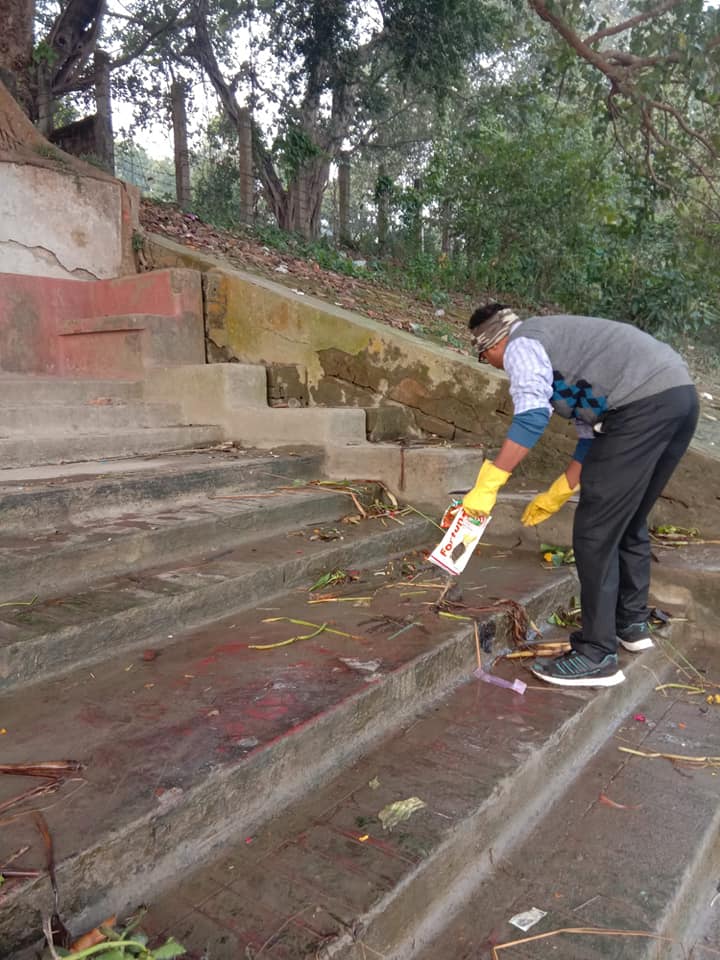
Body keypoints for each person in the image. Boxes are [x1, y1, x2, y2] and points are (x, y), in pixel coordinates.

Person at [462, 302, 698, 688]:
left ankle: (596, 655)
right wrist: (561, 489)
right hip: (678, 398)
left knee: (594, 533)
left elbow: (531, 417)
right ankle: (630, 623)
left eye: (483, 354)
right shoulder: (562, 349)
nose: (488, 362)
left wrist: (489, 483)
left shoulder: (522, 344)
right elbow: (592, 438)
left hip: (641, 407)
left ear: (493, 343)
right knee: (630, 517)